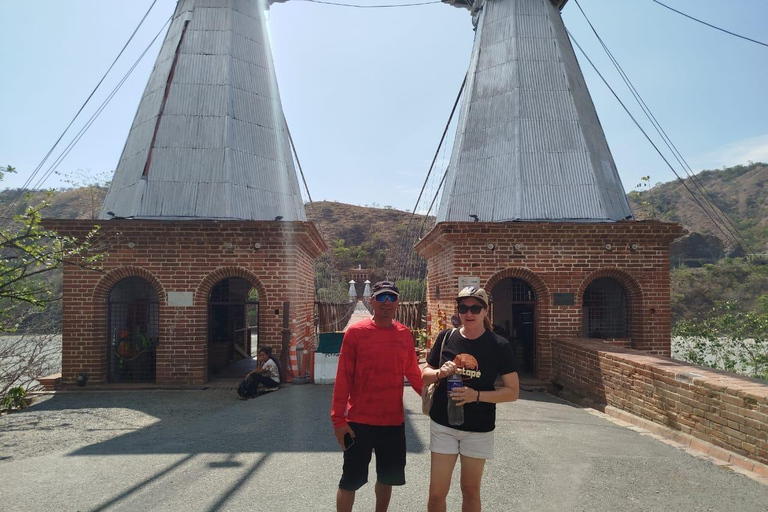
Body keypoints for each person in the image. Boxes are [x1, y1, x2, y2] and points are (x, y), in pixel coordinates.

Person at [421, 286, 519, 512]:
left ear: (486, 311)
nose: (469, 313)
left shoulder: (499, 345)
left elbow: (512, 391)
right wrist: (440, 373)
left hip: (478, 426)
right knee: (436, 494)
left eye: (476, 307)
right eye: (464, 307)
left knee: (470, 490)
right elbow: (424, 376)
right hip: (443, 422)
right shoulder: (447, 337)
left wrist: (476, 395)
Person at [331, 280, 424, 512]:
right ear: (371, 301)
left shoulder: (404, 334)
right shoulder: (355, 333)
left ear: (397, 303)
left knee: (387, 478)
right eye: (381, 297)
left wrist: (436, 399)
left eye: (391, 298)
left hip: (392, 422)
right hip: (358, 421)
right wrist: (338, 421)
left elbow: (414, 374)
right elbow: (343, 378)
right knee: (350, 480)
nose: (386, 303)